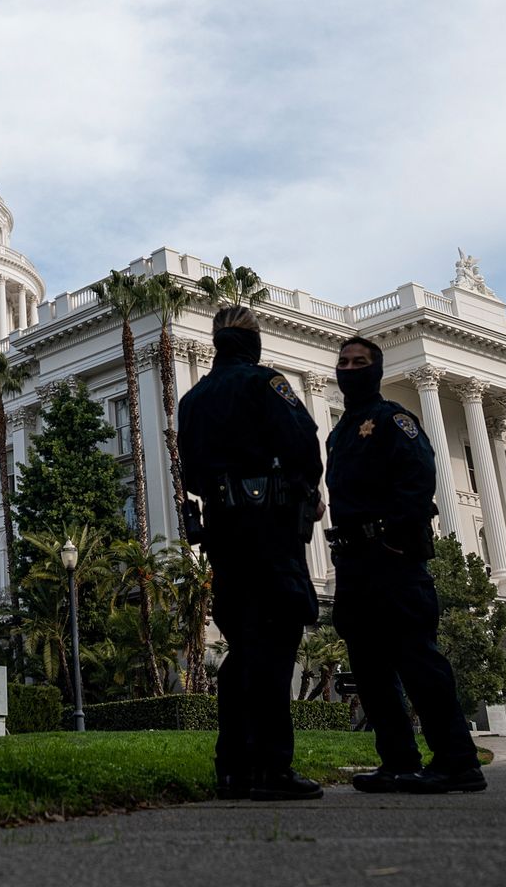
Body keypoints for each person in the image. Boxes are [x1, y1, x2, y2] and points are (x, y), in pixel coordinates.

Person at [325, 335, 486, 794]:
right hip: (354, 563)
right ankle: (398, 762)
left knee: (417, 662)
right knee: (370, 668)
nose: (350, 368)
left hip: (392, 561)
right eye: (344, 362)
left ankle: (457, 762)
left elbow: (419, 479)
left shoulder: (394, 419)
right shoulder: (340, 431)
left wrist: (397, 538)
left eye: (359, 362)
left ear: (375, 371)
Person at [178, 306, 325, 801]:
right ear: (253, 342)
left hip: (223, 533)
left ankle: (233, 767)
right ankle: (272, 769)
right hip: (270, 530)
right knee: (278, 644)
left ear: (217, 342)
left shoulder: (194, 398)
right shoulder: (266, 384)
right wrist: (303, 487)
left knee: (243, 647)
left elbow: (191, 472)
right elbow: (304, 442)